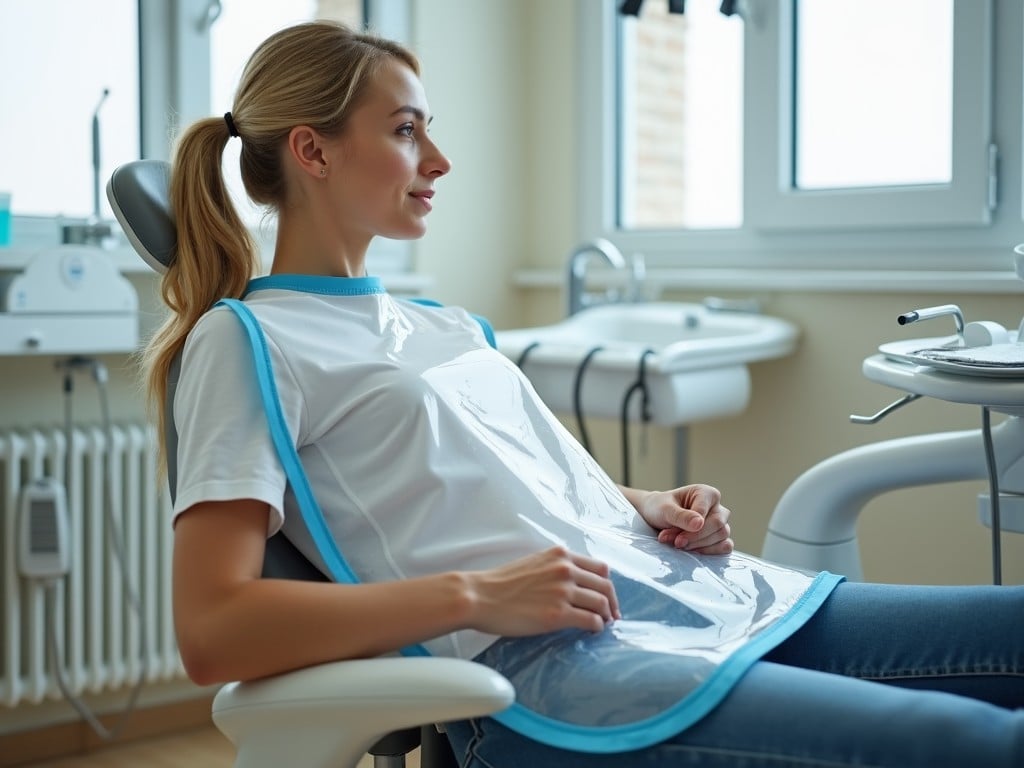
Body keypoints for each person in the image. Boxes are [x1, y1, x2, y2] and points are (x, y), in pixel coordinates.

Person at [148, 20, 1023, 768]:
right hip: (562, 683)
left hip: (692, 600)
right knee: (976, 743)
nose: (440, 160)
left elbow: (525, 493)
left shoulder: (446, 324)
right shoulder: (247, 341)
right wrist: (476, 596)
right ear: (313, 149)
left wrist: (646, 506)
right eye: (407, 130)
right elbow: (214, 628)